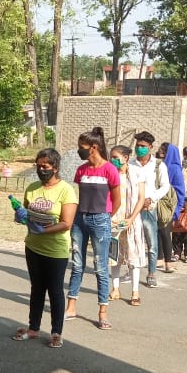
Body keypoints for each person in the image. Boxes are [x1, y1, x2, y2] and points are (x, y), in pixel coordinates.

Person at [10, 148, 77, 348]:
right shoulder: (32, 188)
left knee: (55, 290)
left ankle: (56, 332)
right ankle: (33, 328)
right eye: (38, 166)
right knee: (37, 288)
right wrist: (20, 216)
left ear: (55, 168)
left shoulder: (66, 190)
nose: (41, 169)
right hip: (33, 246)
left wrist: (43, 230)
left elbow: (66, 223)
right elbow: (25, 213)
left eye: (45, 166)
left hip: (56, 249)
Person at [65, 127, 121, 330]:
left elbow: (117, 200)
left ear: (94, 147)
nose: (79, 150)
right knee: (77, 264)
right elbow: (79, 196)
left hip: (100, 220)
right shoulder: (81, 170)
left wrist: (106, 218)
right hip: (80, 220)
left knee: (100, 266)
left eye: (82, 147)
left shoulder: (109, 170)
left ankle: (102, 312)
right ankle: (71, 306)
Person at [131, 131, 171, 288]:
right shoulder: (131, 164)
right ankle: (131, 270)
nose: (139, 148)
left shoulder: (158, 165)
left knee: (152, 243)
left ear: (150, 147)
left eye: (143, 146)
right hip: (133, 209)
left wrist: (151, 198)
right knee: (133, 241)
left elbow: (165, 186)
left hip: (149, 209)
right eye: (137, 145)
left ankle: (151, 273)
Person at [109, 146, 146, 305]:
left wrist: (131, 218)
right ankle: (115, 288)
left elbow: (141, 198)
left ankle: (135, 292)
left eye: (115, 157)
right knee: (114, 256)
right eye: (111, 157)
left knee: (133, 256)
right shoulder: (110, 173)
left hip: (132, 220)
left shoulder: (137, 172)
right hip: (114, 220)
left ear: (125, 158)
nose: (113, 160)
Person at [154, 143, 185, 274]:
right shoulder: (159, 166)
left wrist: (176, 210)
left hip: (168, 207)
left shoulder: (175, 169)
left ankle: (168, 262)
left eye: (163, 151)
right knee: (157, 233)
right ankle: (159, 259)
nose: (160, 153)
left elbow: (180, 191)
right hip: (157, 203)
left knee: (165, 233)